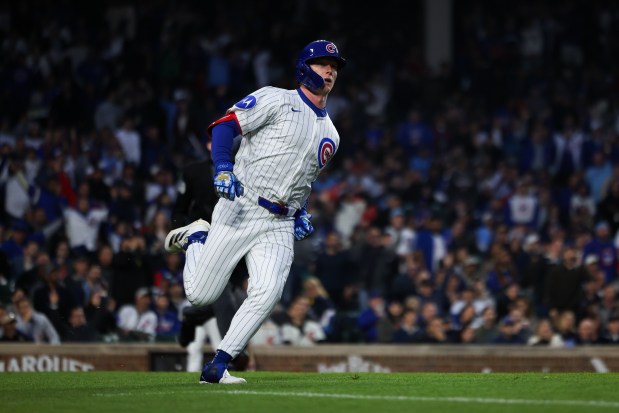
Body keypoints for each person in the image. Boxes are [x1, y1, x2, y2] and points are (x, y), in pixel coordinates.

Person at [164, 39, 346, 384]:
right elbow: (224, 125)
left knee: (268, 292)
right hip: (242, 205)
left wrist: (302, 211)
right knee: (201, 295)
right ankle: (196, 235)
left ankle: (218, 365)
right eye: (323, 63)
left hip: (280, 222)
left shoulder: (332, 135)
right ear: (304, 67)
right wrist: (221, 167)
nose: (330, 70)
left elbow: (303, 179)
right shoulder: (275, 98)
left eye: (334, 66)